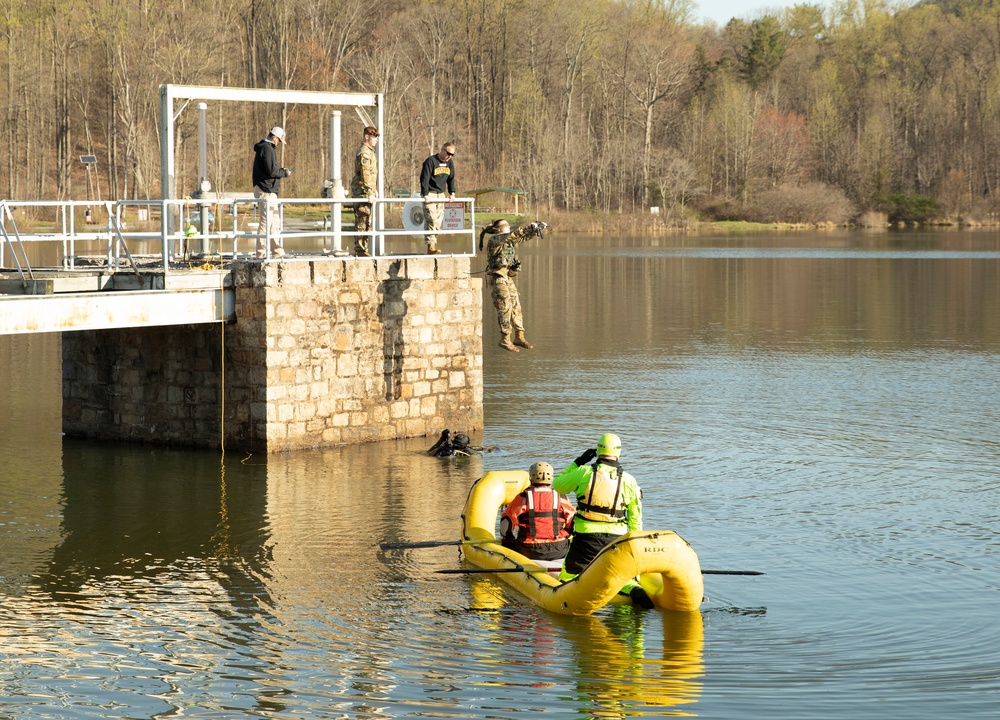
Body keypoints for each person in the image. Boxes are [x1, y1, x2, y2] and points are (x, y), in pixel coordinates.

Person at [552, 432, 653, 609]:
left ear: (598, 451)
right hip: (615, 540)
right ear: (618, 453)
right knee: (623, 577)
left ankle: (572, 591)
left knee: (567, 576)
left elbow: (557, 484)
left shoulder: (582, 473)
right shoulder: (629, 480)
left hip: (585, 540)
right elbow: (636, 520)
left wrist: (578, 462)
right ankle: (631, 588)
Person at [480, 218, 548, 352]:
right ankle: (505, 339)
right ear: (498, 230)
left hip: (507, 277)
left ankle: (519, 336)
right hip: (497, 278)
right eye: (506, 226)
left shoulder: (508, 241)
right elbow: (513, 235)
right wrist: (528, 227)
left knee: (516, 306)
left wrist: (536, 230)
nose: (509, 228)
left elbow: (521, 238)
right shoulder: (494, 240)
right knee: (505, 307)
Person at [499, 462, 575, 562]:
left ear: (531, 477)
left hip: (529, 550)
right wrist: (567, 534)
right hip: (559, 549)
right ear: (551, 477)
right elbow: (573, 522)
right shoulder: (562, 497)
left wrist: (507, 541)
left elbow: (506, 523)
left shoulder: (522, 498)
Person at [252, 126, 292, 259]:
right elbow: (272, 171)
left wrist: (280, 170)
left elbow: (270, 169)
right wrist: (285, 172)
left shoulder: (264, 148)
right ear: (274, 137)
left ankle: (277, 251)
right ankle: (261, 253)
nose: (279, 143)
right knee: (266, 222)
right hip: (266, 190)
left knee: (274, 222)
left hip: (267, 190)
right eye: (279, 140)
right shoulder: (267, 148)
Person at [419, 142, 457, 255]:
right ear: (442, 150)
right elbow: (424, 178)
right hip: (430, 194)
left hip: (441, 195)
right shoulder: (431, 161)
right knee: (432, 219)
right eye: (448, 153)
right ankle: (430, 247)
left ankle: (433, 244)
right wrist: (425, 194)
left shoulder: (450, 163)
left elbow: (451, 179)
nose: (449, 156)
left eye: (452, 154)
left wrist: (452, 193)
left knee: (438, 222)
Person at [350, 125, 380, 257]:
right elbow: (365, 173)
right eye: (374, 137)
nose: (376, 140)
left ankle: (362, 249)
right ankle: (360, 249)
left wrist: (374, 190)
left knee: (367, 221)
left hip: (367, 190)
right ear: (367, 137)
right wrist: (369, 192)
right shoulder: (365, 152)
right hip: (361, 191)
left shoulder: (370, 151)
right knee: (362, 220)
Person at [427, 429, 494, 457]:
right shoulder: (466, 452)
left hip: (437, 452)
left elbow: (431, 452)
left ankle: (442, 439)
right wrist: (490, 450)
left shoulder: (446, 448)